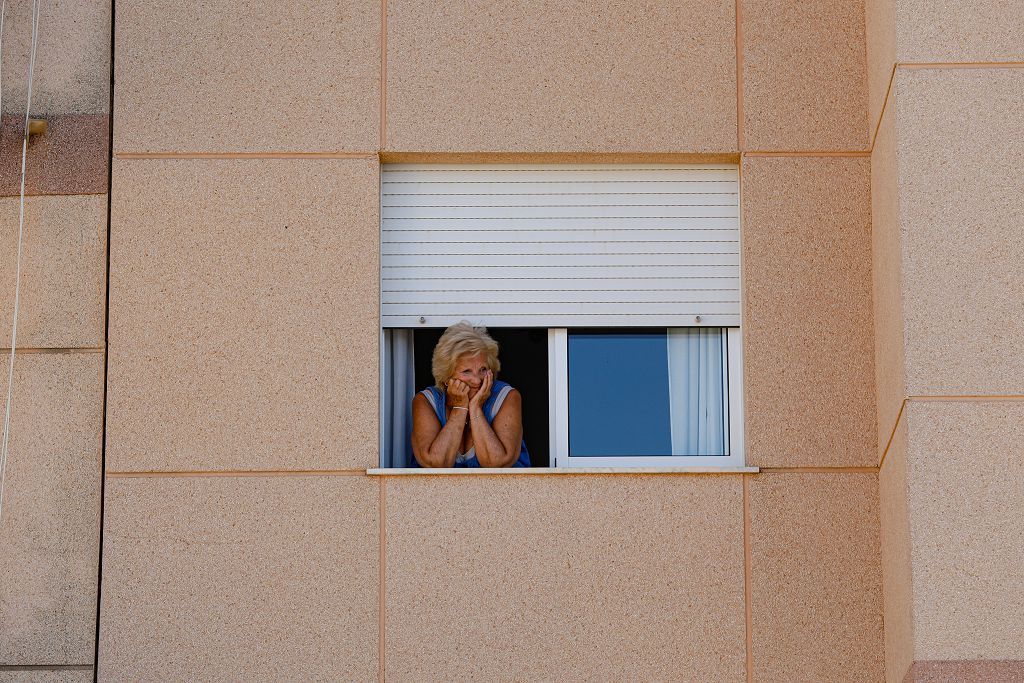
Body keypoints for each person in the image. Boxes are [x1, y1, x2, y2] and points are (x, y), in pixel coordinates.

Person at [411, 322, 530, 468]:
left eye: (483, 369)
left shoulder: (508, 397)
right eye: (466, 371)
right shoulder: (425, 402)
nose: (477, 380)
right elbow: (437, 464)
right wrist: (460, 408)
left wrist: (475, 408)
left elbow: (497, 464)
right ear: (446, 376)